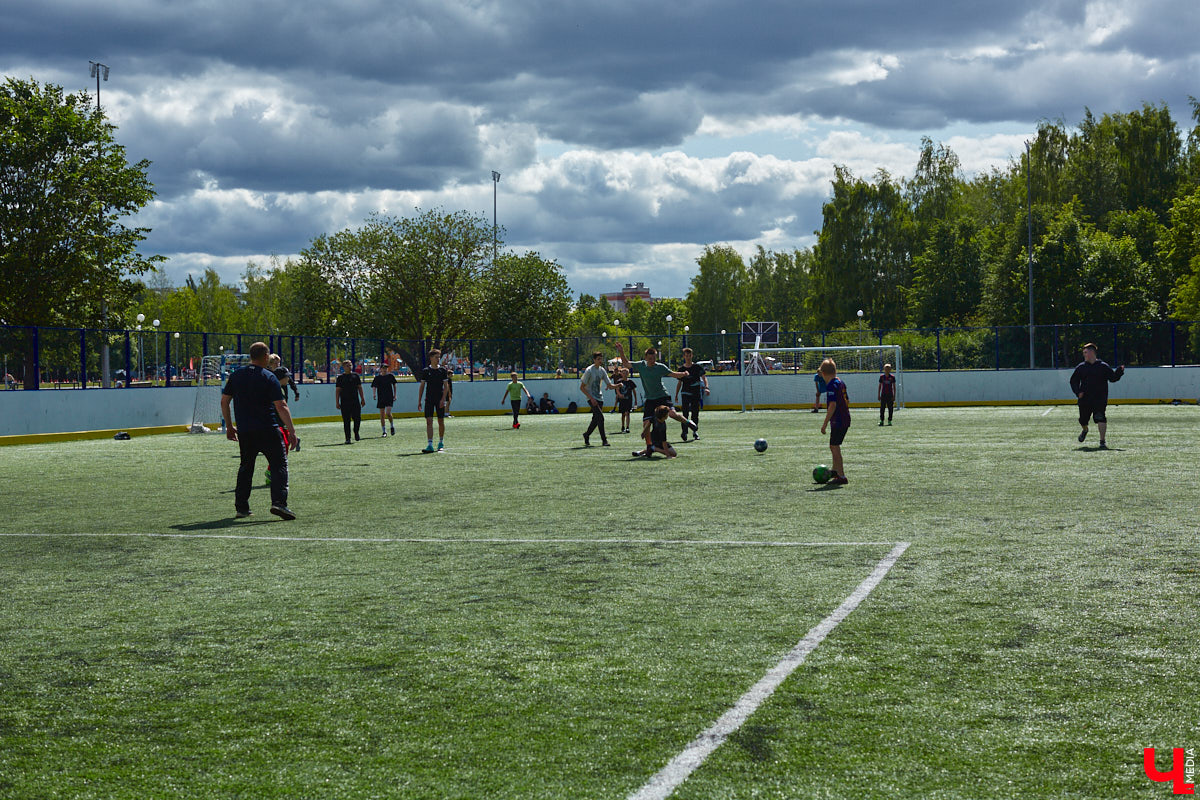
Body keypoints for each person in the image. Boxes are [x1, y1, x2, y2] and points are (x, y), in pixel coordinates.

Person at [220, 341, 298, 520]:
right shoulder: (268, 376)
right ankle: (279, 503)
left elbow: (224, 401)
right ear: (265, 357)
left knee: (246, 467)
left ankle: (242, 507)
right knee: (279, 464)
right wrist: (292, 431)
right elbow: (281, 405)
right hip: (268, 429)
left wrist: (230, 426)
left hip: (245, 431)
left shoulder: (237, 375)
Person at [613, 340, 695, 454]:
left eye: (654, 358)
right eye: (650, 359)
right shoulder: (641, 365)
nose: (652, 361)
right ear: (646, 357)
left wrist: (684, 374)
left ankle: (688, 423)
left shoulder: (660, 367)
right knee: (646, 424)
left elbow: (673, 374)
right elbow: (626, 364)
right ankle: (649, 447)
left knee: (672, 414)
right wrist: (621, 351)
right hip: (650, 399)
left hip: (662, 396)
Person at [1070, 343, 1125, 449]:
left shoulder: (1103, 366)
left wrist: (1119, 372)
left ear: (1092, 352)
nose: (1084, 355)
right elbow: (1073, 381)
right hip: (1085, 399)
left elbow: (1112, 378)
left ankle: (1102, 441)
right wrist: (1077, 392)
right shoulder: (1081, 367)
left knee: (1100, 418)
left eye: (1086, 352)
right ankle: (1085, 430)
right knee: (1083, 420)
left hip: (1100, 398)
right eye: (1084, 353)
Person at [818, 358, 850, 485]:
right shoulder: (840, 382)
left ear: (824, 374)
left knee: (835, 447)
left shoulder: (831, 385)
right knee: (833, 446)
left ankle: (841, 475)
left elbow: (832, 405)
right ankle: (835, 471)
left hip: (839, 420)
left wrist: (825, 423)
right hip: (844, 418)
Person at [579, 351, 617, 447]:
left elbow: (609, 385)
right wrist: (591, 398)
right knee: (601, 418)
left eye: (601, 359)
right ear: (594, 360)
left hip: (599, 398)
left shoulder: (602, 370)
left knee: (595, 420)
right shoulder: (589, 370)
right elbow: (582, 387)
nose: (600, 361)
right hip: (591, 398)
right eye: (598, 359)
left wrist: (618, 385)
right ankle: (604, 440)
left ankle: (586, 435)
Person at [417, 350, 450, 452]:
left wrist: (443, 398)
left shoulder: (443, 371)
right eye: (436, 357)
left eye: (439, 357)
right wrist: (419, 401)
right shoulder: (426, 371)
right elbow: (422, 386)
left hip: (439, 399)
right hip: (429, 399)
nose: (438, 359)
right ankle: (430, 444)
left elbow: (446, 387)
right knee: (429, 421)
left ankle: (440, 442)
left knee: (441, 421)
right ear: (431, 358)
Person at [674, 347, 709, 441]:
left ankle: (695, 431)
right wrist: (676, 395)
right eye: (686, 356)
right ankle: (684, 432)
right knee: (685, 413)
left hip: (696, 393)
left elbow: (704, 378)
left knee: (695, 413)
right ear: (684, 357)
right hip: (685, 393)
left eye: (689, 355)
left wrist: (706, 388)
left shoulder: (697, 367)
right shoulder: (681, 369)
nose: (688, 357)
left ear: (692, 356)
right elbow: (679, 382)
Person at [335, 359, 365, 444]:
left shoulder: (356, 376)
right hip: (345, 402)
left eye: (350, 365)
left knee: (357, 418)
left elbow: (360, 388)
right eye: (347, 365)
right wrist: (337, 402)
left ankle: (356, 432)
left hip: (355, 401)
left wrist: (362, 398)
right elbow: (337, 391)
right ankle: (347, 438)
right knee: (346, 421)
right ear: (343, 367)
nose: (349, 367)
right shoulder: (340, 378)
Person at [372, 366, 398, 437]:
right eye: (383, 368)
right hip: (381, 397)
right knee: (382, 415)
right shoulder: (377, 378)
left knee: (388, 413)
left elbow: (394, 385)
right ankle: (384, 431)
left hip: (389, 397)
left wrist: (395, 395)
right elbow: (374, 386)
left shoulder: (390, 376)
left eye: (386, 368)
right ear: (380, 369)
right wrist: (374, 394)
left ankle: (392, 426)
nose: (384, 369)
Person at [616, 367, 638, 434]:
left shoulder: (630, 382)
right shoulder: (619, 381)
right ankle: (623, 426)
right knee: (623, 414)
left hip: (629, 399)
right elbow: (617, 389)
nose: (625, 374)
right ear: (621, 374)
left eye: (626, 373)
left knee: (627, 413)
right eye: (623, 373)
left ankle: (627, 427)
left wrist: (635, 400)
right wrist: (619, 394)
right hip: (622, 400)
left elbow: (634, 391)